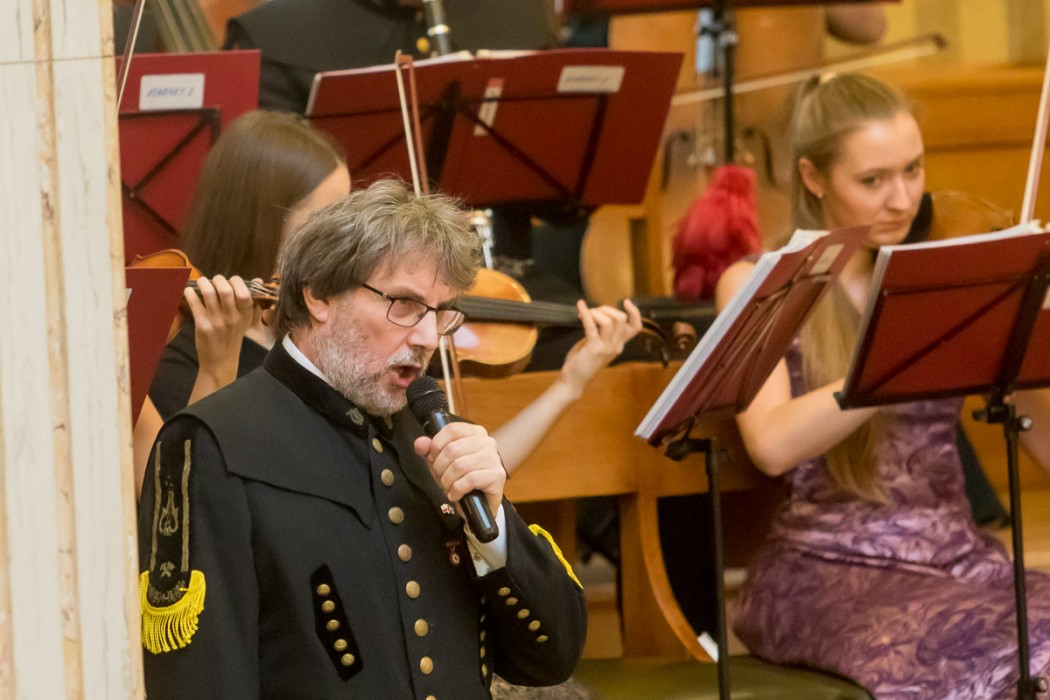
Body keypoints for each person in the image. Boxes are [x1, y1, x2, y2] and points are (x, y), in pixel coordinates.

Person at [137, 178, 588, 697]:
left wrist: (494, 529)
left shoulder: (432, 434)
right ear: (319, 295)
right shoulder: (212, 442)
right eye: (404, 304)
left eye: (440, 313)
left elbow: (553, 658)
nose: (427, 338)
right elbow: (201, 681)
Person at [719, 72, 1050, 698]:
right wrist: (899, 353)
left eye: (913, 170)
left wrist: (1027, 329)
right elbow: (771, 444)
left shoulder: (946, 265)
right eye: (872, 181)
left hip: (961, 562)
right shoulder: (758, 283)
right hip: (826, 573)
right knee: (1003, 653)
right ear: (814, 177)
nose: (902, 200)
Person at [148, 109, 351, 422]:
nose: (341, 243)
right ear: (261, 224)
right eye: (323, 223)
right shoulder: (174, 365)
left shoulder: (316, 330)